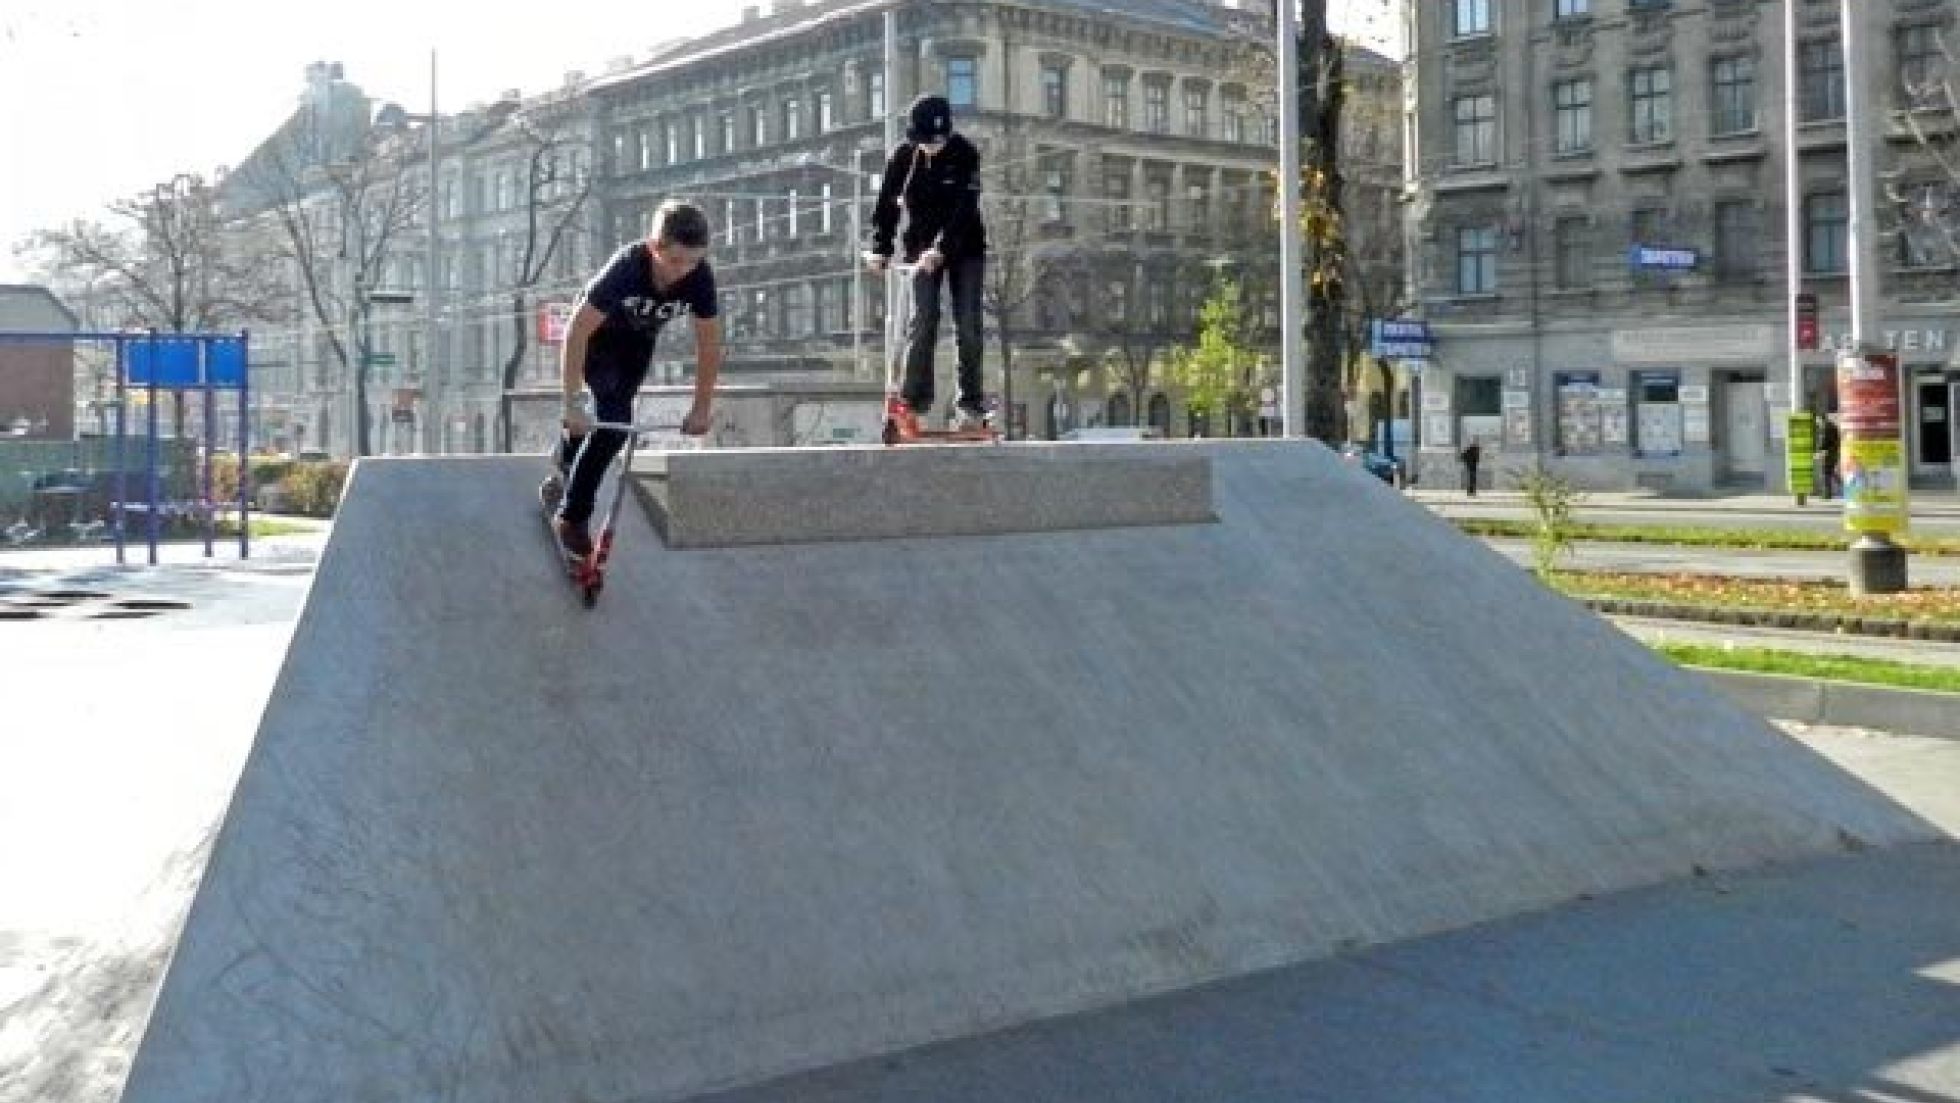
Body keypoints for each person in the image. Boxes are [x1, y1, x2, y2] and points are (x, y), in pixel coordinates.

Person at [543, 200, 721, 558]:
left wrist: (701, 408)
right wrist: (572, 404)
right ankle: (572, 518)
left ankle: (568, 459)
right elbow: (575, 332)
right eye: (674, 261)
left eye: (693, 261)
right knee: (613, 423)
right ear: (654, 247)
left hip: (637, 345)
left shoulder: (700, 279)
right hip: (595, 340)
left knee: (607, 422)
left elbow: (709, 346)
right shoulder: (625, 270)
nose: (682, 271)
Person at [865, 93, 989, 430]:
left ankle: (971, 405)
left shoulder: (965, 154)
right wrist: (881, 248)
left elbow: (966, 207)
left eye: (937, 142)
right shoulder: (903, 158)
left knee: (968, 324)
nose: (932, 148)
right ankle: (914, 400)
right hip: (919, 248)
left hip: (965, 246)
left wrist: (942, 249)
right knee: (923, 319)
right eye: (925, 142)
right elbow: (886, 206)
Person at [1818, 412, 1842, 500]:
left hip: (1828, 453)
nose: (1818, 423)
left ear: (1821, 419)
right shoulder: (1833, 426)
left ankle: (1827, 495)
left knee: (1826, 473)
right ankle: (1845, 486)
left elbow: (1824, 441)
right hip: (1834, 452)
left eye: (1818, 421)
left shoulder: (1825, 427)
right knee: (1831, 472)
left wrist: (1820, 450)